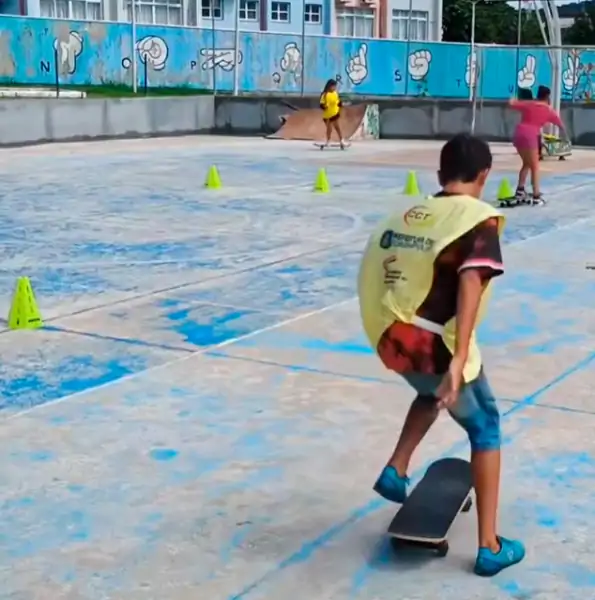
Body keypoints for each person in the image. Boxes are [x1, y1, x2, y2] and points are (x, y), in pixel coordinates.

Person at [357, 133, 525, 577]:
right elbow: (472, 280)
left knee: (431, 391)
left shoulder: (407, 215)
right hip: (433, 344)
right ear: (485, 175)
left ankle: (397, 467)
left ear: (439, 175)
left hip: (389, 335)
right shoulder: (478, 219)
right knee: (485, 424)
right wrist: (459, 357)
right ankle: (490, 545)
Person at [510, 84, 565, 205]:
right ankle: (536, 195)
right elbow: (560, 124)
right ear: (547, 97)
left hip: (518, 135)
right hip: (531, 136)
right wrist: (565, 136)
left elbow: (512, 104)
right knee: (535, 167)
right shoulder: (548, 110)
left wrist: (512, 97)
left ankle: (520, 190)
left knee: (526, 163)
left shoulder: (529, 104)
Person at [319, 79, 345, 150]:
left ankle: (341, 141)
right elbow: (321, 104)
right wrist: (324, 106)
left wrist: (341, 105)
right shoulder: (325, 95)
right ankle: (328, 141)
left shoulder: (335, 93)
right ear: (329, 86)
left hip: (335, 113)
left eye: (335, 87)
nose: (334, 88)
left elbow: (338, 102)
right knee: (329, 128)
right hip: (327, 114)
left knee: (337, 127)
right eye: (333, 86)